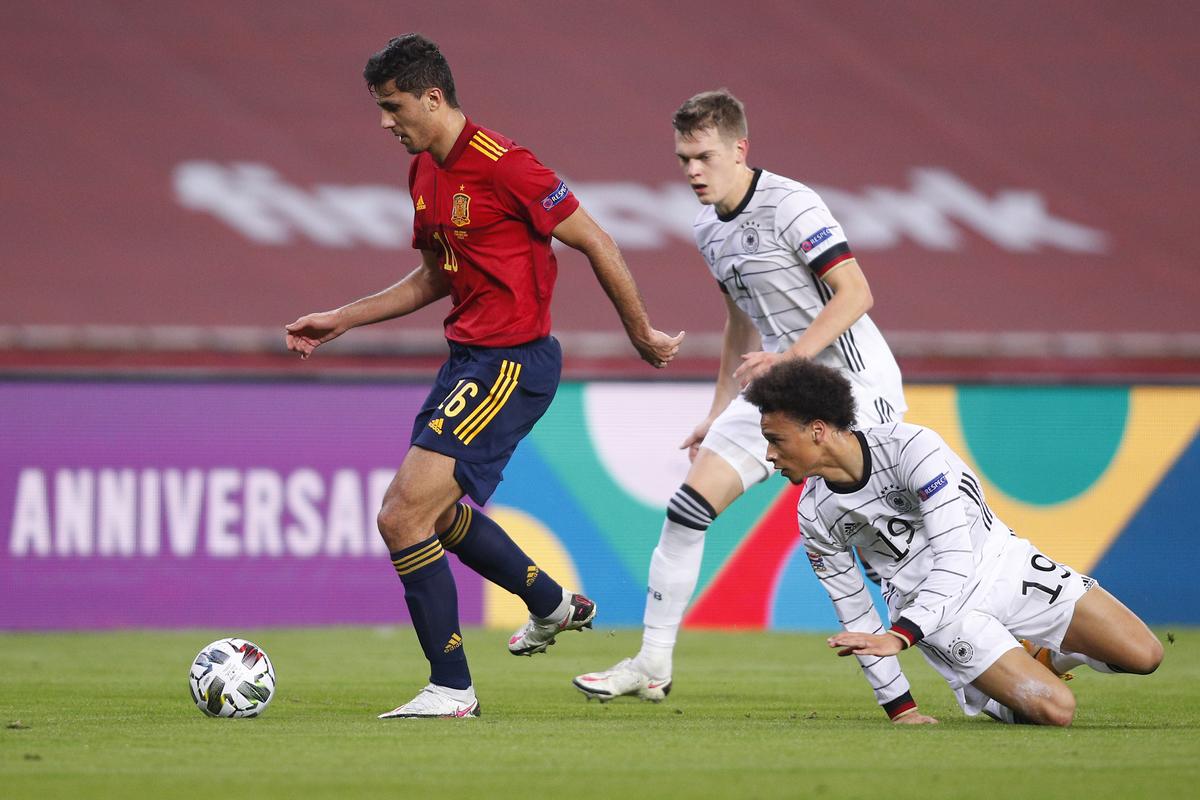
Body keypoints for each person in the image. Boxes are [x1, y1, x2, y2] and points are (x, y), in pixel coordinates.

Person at [285, 34, 683, 719]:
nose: (385, 121)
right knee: (433, 515)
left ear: (432, 98)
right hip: (467, 359)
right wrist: (344, 318)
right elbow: (436, 276)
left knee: (401, 514)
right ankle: (552, 605)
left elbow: (597, 240)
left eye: (393, 106)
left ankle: (451, 688)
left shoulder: (507, 165)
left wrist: (641, 332)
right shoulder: (424, 172)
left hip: (512, 361)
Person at [574, 90, 924, 724]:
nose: (692, 172)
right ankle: (653, 662)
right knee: (687, 507)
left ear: (740, 149)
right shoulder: (707, 228)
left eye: (704, 156)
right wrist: (718, 410)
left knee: (893, 548)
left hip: (856, 385)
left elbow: (855, 294)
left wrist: (788, 362)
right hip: (776, 384)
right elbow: (741, 324)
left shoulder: (793, 206)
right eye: (683, 159)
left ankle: (997, 640)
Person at [745, 357, 1164, 725]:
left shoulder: (912, 448)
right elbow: (855, 614)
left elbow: (955, 556)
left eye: (776, 439)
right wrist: (900, 707)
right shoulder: (815, 514)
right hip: (937, 613)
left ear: (817, 430)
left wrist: (903, 636)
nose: (769, 455)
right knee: (1057, 710)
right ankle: (994, 694)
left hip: (1001, 564)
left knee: (1145, 655)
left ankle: (1041, 658)